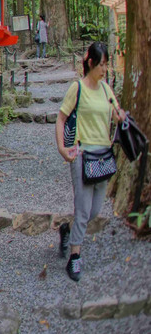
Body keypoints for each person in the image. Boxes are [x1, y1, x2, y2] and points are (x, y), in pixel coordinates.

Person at [54, 42, 125, 281]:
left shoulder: (106, 90)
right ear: (91, 63)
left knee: (94, 211)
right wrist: (62, 148)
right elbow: (61, 118)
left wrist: (120, 115)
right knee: (83, 210)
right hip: (82, 155)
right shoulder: (78, 88)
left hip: (103, 157)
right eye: (102, 64)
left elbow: (116, 113)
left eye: (107, 64)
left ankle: (67, 230)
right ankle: (75, 257)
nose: (105, 69)